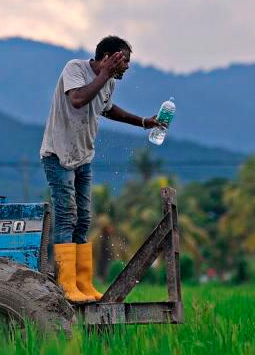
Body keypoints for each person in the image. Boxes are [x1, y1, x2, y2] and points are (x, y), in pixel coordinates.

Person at [39, 36, 167, 303]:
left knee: (83, 219)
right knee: (66, 217)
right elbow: (77, 99)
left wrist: (143, 122)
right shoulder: (75, 69)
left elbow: (107, 109)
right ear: (107, 57)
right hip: (58, 155)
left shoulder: (107, 82)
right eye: (123, 61)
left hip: (83, 157)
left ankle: (83, 282)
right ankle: (66, 285)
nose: (127, 68)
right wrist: (105, 73)